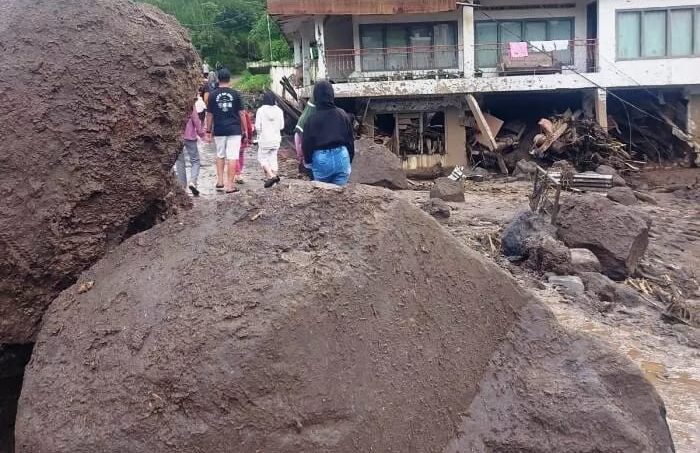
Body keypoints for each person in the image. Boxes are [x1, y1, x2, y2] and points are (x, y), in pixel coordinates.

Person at [302, 80, 354, 186]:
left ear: (315, 97)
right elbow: (350, 140)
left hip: (321, 160)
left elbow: (306, 144)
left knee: (323, 195)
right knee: (339, 194)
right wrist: (349, 158)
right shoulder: (342, 114)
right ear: (332, 95)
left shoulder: (311, 119)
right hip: (342, 156)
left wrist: (308, 163)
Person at [206, 68, 247, 193]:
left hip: (219, 129)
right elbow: (242, 114)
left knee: (220, 155)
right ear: (229, 79)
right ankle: (230, 186)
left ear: (218, 79)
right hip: (234, 129)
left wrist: (208, 131)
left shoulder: (212, 95)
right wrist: (245, 129)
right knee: (232, 157)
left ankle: (220, 181)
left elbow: (209, 115)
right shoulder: (235, 94)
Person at [176, 99, 205, 196]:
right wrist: (201, 133)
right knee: (195, 161)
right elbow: (196, 120)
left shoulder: (174, 102)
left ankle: (182, 186)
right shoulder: (189, 104)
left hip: (176, 137)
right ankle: (193, 181)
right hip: (190, 136)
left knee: (180, 161)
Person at [255, 92, 285, 188]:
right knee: (273, 158)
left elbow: (257, 127)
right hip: (276, 139)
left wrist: (259, 135)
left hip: (264, 139)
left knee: (262, 158)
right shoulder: (279, 110)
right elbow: (282, 126)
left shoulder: (260, 110)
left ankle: (272, 176)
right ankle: (274, 181)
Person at [294, 94, 316, 179]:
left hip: (300, 132)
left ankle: (305, 170)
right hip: (301, 134)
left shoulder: (309, 110)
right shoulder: (312, 110)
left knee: (302, 155)